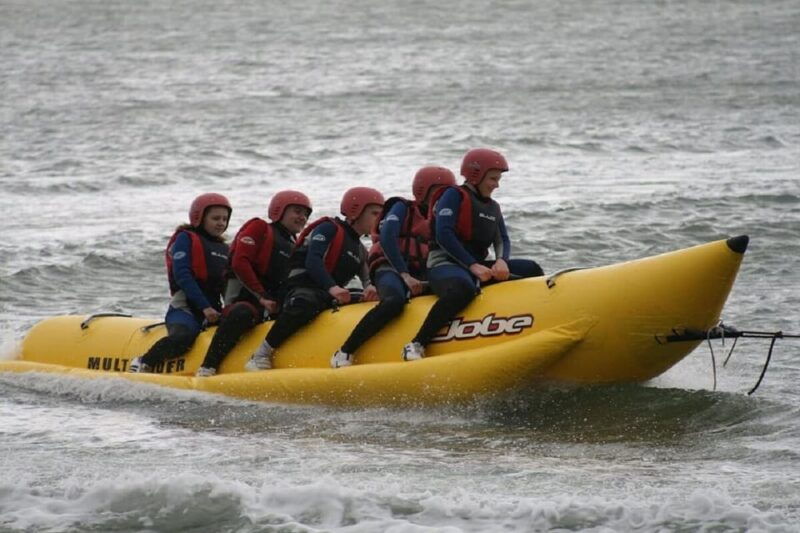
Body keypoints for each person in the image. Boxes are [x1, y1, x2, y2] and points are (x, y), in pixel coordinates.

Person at [401, 148, 545, 361]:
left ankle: (532, 320)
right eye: (493, 179)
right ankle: (417, 343)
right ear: (477, 175)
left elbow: (502, 239)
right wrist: (472, 266)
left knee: (531, 268)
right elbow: (443, 234)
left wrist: (501, 261)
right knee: (463, 289)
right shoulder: (453, 195)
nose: (497, 184)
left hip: (475, 266)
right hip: (443, 265)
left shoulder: (493, 207)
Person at [244, 187, 385, 371]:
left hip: (326, 293)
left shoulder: (359, 249)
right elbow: (313, 261)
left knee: (362, 298)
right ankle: (260, 354)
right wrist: (333, 288)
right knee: (305, 302)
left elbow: (367, 280)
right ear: (355, 210)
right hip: (300, 289)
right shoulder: (328, 228)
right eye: (374, 213)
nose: (379, 219)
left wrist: (371, 289)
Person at [329, 167, 456, 368]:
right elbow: (387, 237)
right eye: (438, 191)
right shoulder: (401, 207)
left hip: (418, 274)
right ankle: (345, 351)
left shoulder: (440, 220)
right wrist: (405, 276)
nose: (442, 197)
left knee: (456, 289)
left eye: (447, 193)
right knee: (394, 301)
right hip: (389, 268)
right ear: (423, 191)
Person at [194, 191, 312, 377]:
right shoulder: (260, 228)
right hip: (245, 299)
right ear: (279, 210)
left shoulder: (293, 243)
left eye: (305, 214)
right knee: (242, 313)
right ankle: (208, 366)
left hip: (271, 302)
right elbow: (240, 261)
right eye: (297, 211)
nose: (302, 217)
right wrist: (262, 296)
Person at [130, 193, 232, 373]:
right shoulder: (185, 238)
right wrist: (204, 308)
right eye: (215, 218)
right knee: (183, 338)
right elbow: (182, 275)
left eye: (225, 219)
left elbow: (227, 286)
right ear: (199, 217)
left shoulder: (224, 249)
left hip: (212, 310)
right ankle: (143, 361)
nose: (221, 223)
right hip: (185, 309)